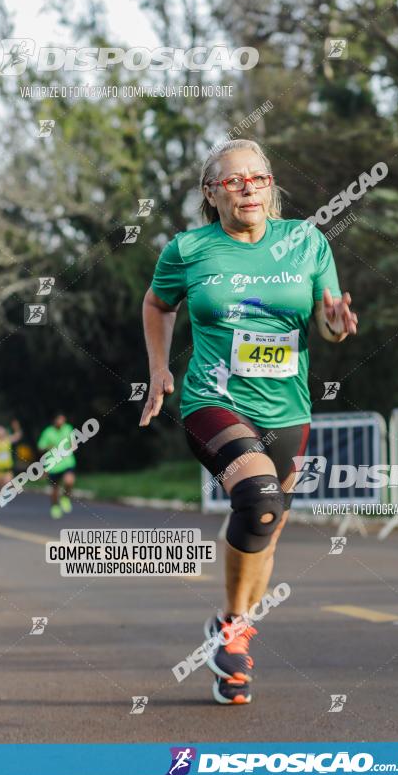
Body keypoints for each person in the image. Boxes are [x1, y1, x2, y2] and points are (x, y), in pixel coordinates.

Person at [141, 138, 358, 704]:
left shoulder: (305, 242)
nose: (248, 189)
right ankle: (234, 632)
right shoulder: (188, 250)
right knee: (259, 499)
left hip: (287, 409)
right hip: (213, 402)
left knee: (269, 523)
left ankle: (226, 632)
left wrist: (335, 322)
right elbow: (158, 304)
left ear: (271, 188)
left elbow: (329, 326)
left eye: (257, 179)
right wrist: (160, 368)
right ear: (211, 194)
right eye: (234, 181)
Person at [37, 414, 77, 519]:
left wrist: (72, 447)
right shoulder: (48, 432)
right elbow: (40, 447)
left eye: (63, 420)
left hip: (67, 462)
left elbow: (74, 444)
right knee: (55, 489)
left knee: (69, 481)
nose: (61, 422)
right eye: (59, 419)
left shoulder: (68, 428)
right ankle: (55, 506)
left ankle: (65, 498)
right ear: (54, 420)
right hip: (53, 465)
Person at [0, 419, 22, 492]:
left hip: (7, 468)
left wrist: (17, 427)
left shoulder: (8, 440)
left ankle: (3, 498)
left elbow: (18, 436)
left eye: (2, 431)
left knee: (9, 484)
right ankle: (0, 499)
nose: (1, 432)